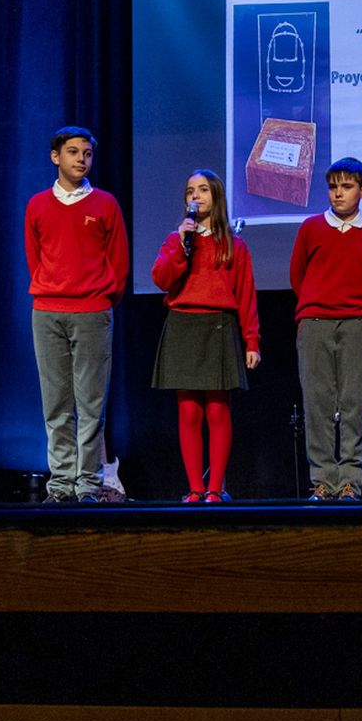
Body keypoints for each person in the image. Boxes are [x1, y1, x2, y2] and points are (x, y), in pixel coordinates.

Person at [24, 126, 129, 504]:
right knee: (55, 403)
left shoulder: (105, 204)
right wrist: (52, 290)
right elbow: (34, 257)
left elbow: (119, 263)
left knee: (91, 404)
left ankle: (87, 483)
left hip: (92, 311)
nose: (81, 159)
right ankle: (60, 484)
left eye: (87, 153)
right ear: (56, 157)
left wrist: (100, 299)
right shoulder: (37, 205)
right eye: (73, 152)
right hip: (48, 311)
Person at [150, 170, 260, 503]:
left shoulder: (234, 245)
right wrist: (181, 247)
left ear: (216, 197)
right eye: (189, 191)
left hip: (218, 327)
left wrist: (252, 341)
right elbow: (161, 278)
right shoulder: (177, 240)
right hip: (183, 325)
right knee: (188, 412)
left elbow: (246, 296)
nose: (195, 196)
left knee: (217, 410)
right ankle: (196, 489)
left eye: (202, 190)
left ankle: (215, 489)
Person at [289, 157, 362, 501]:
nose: (338, 193)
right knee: (317, 404)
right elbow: (298, 275)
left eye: (346, 187)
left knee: (353, 405)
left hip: (357, 324)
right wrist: (316, 304)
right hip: (315, 322)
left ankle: (349, 482)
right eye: (333, 187)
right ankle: (322, 481)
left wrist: (358, 309)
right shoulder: (311, 228)